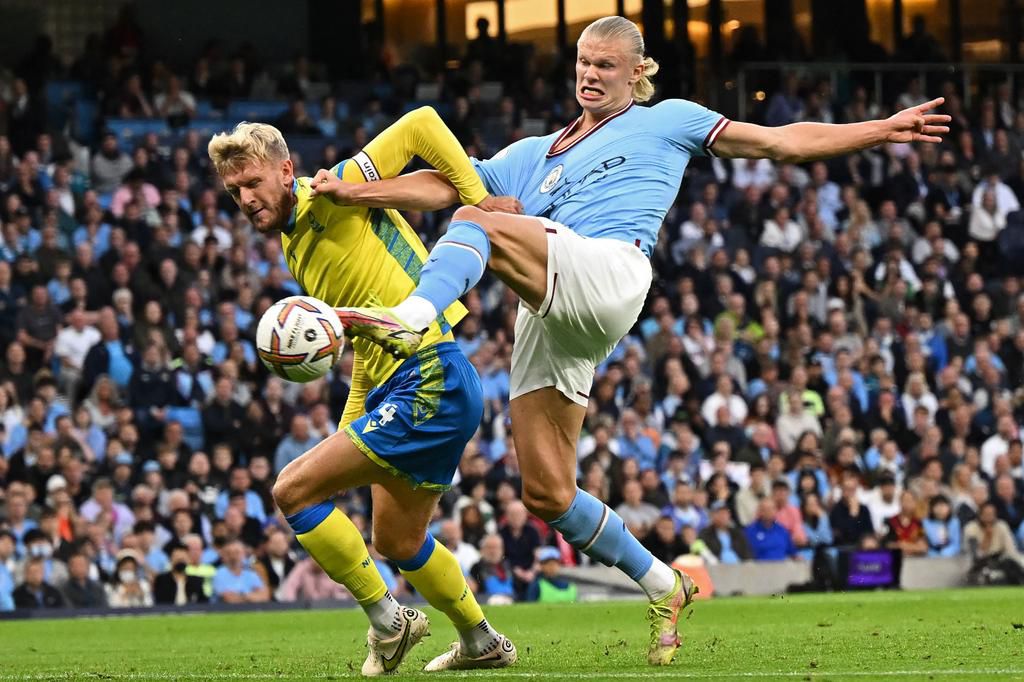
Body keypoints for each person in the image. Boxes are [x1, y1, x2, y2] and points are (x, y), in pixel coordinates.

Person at [317, 14, 949, 666]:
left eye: (606, 66)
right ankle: (662, 582)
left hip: (610, 269)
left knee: (478, 220)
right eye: (584, 63)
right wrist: (358, 192)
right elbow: (447, 181)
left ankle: (415, 313)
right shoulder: (532, 154)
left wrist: (881, 130)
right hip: (548, 305)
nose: (590, 75)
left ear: (637, 73)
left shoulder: (668, 119)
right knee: (547, 493)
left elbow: (780, 142)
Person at [207, 112, 518, 675]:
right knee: (398, 541)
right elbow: (362, 358)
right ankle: (481, 639)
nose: (246, 198)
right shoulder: (293, 248)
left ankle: (389, 622)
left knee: (293, 491)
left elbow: (424, 125)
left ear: (286, 170)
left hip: (429, 374)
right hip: (412, 384)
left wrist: (479, 204)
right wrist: (352, 419)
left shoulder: (336, 190)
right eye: (234, 191)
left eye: (253, 182)